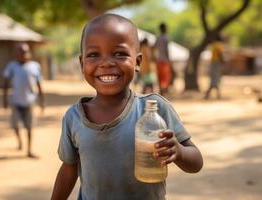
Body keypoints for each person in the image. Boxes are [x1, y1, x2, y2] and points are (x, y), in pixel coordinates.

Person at [51, 14, 203, 200]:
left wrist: (178, 151)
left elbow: (196, 162)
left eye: (119, 54)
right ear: (82, 64)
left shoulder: (154, 109)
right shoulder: (74, 117)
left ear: (138, 62)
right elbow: (68, 169)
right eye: (94, 55)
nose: (106, 63)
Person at [3, 43, 44, 158]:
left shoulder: (35, 66)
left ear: (29, 53)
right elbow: (6, 84)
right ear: (16, 54)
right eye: (21, 52)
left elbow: (39, 84)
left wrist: (42, 101)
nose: (24, 54)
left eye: (26, 52)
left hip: (30, 101)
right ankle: (19, 141)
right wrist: (5, 100)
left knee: (30, 126)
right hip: (15, 101)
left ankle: (29, 150)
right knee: (15, 124)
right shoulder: (11, 66)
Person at [204, 35, 224, 99]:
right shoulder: (218, 45)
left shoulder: (213, 45)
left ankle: (215, 95)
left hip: (214, 63)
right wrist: (222, 61)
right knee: (215, 80)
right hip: (216, 63)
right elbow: (220, 54)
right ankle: (218, 95)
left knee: (214, 80)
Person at [154, 22, 172, 95]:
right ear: (165, 29)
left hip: (158, 60)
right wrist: (169, 59)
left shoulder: (158, 38)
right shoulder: (166, 38)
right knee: (165, 76)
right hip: (165, 60)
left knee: (160, 75)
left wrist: (154, 57)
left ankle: (161, 91)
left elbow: (154, 47)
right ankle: (164, 91)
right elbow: (167, 50)